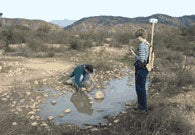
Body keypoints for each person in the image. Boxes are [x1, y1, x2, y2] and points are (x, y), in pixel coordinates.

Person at [130, 28, 150, 112]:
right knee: (141, 87)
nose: (137, 39)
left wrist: (133, 53)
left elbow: (142, 59)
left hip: (141, 68)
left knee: (139, 88)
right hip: (144, 69)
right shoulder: (147, 44)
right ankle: (141, 107)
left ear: (140, 36)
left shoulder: (142, 45)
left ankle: (142, 108)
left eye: (137, 37)